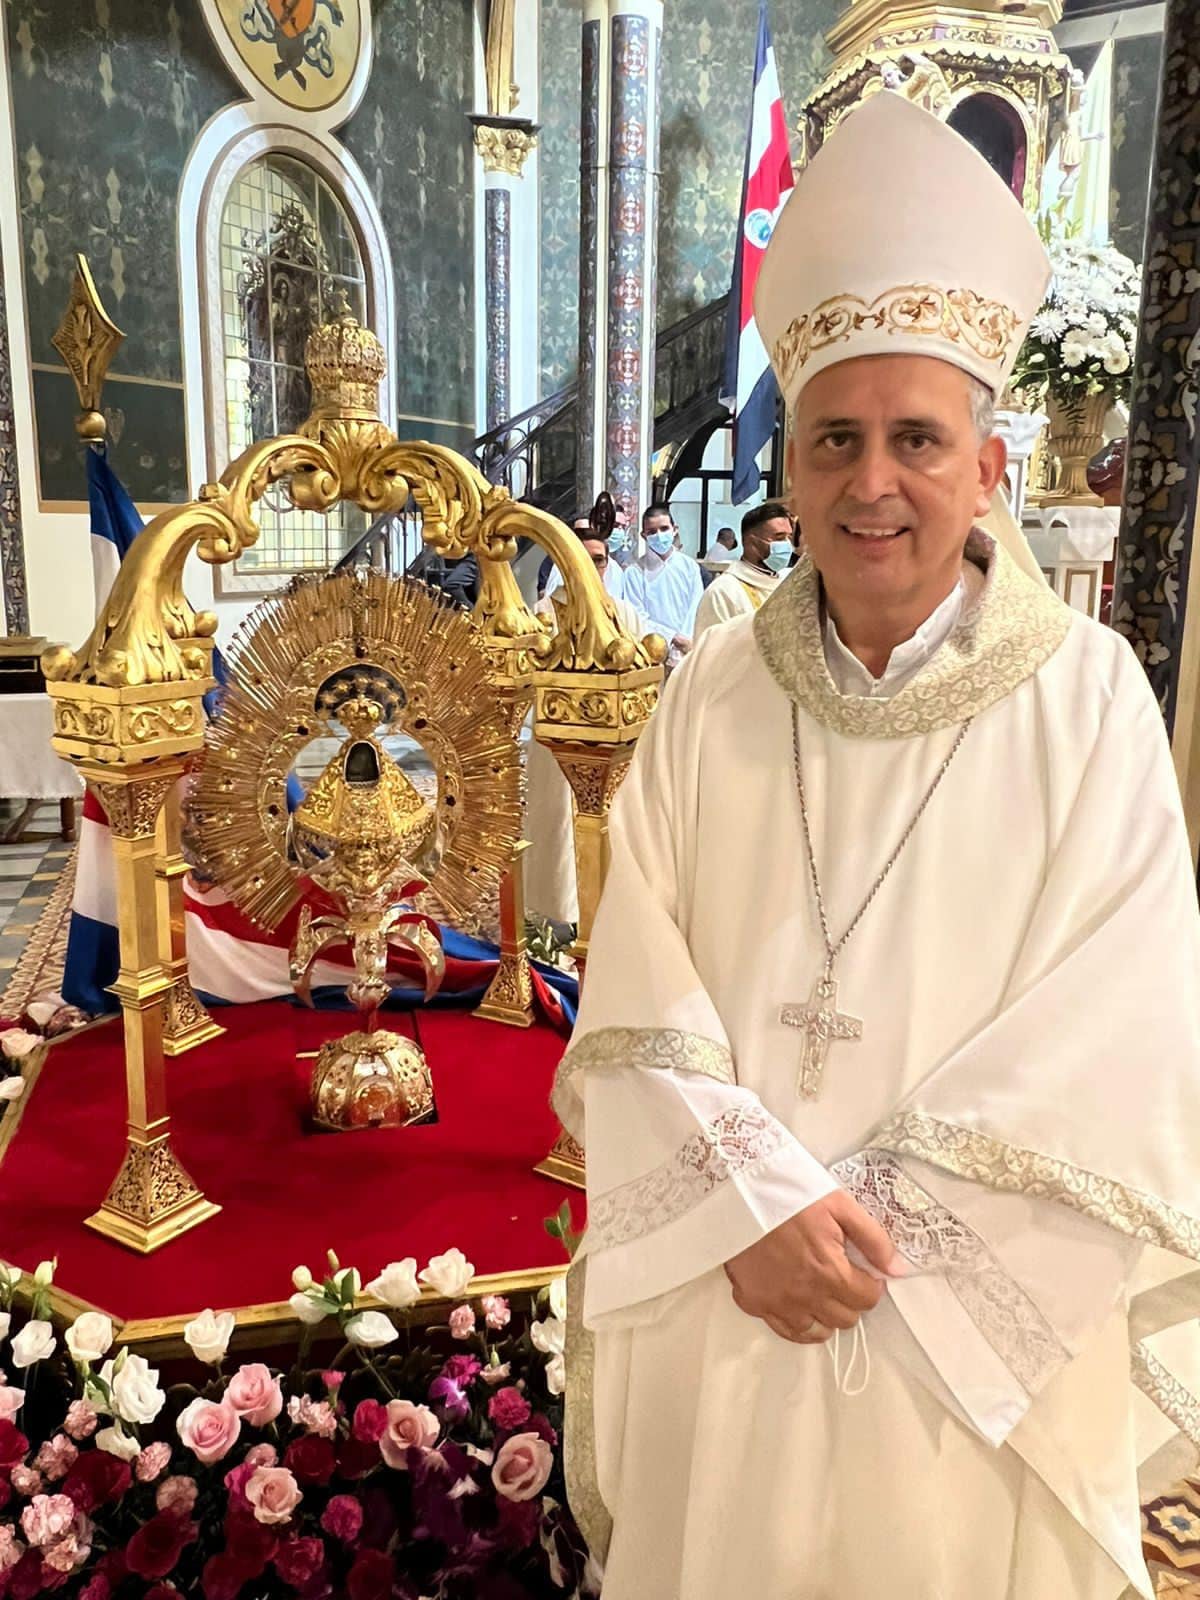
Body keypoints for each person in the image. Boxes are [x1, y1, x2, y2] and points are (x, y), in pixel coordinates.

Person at [554, 92, 1200, 1600]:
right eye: (834, 438)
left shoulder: (1088, 700)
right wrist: (748, 1212)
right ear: (791, 468)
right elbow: (636, 976)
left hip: (966, 1354)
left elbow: (1127, 1027)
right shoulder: (713, 682)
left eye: (917, 438)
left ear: (988, 467)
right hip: (734, 1303)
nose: (871, 482)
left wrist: (865, 1236)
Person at [526, 530, 644, 927]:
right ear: (564, 562)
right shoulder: (543, 614)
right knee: (556, 821)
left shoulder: (623, 613)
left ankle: (613, 907)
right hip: (558, 743)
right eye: (584, 557)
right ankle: (558, 914)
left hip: (614, 747)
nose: (593, 566)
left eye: (600, 559)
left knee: (619, 822)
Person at [694, 500, 795, 637]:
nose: (787, 544)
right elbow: (710, 651)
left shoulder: (789, 583)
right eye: (779, 537)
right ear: (751, 542)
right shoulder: (724, 591)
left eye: (788, 537)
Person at [622, 503, 703, 665]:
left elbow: (697, 605)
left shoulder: (690, 566)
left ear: (675, 529)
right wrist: (672, 637)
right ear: (644, 535)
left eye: (664, 529)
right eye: (652, 532)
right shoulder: (634, 572)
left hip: (690, 648)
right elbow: (636, 616)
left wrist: (686, 640)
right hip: (653, 652)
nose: (659, 535)